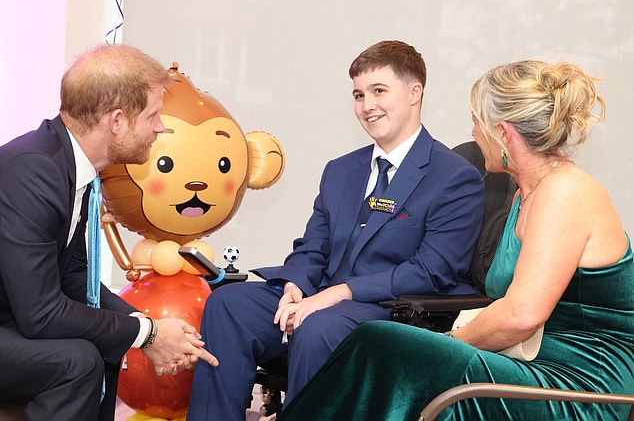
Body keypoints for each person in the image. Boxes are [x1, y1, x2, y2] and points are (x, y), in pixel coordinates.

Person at [276, 60, 634, 421]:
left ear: (504, 133)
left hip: (581, 382)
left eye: (477, 121)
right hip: (531, 362)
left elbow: (521, 316)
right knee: (384, 344)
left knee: (384, 343)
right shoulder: (525, 194)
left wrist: (447, 342)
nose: (473, 134)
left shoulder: (565, 193)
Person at [187, 40, 485, 420]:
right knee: (229, 304)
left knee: (318, 326)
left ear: (414, 93)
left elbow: (432, 270)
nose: (367, 105)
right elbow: (313, 247)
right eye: (359, 95)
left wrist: (337, 294)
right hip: (323, 299)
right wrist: (296, 285)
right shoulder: (340, 170)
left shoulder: (455, 177)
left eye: (379, 91)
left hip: (389, 311)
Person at [0, 44, 218, 421]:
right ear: (116, 120)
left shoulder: (69, 166)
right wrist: (147, 333)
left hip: (14, 318)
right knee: (78, 360)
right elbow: (41, 314)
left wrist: (145, 327)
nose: (160, 126)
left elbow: (75, 277)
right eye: (152, 115)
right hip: (15, 319)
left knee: (101, 347)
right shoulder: (34, 172)